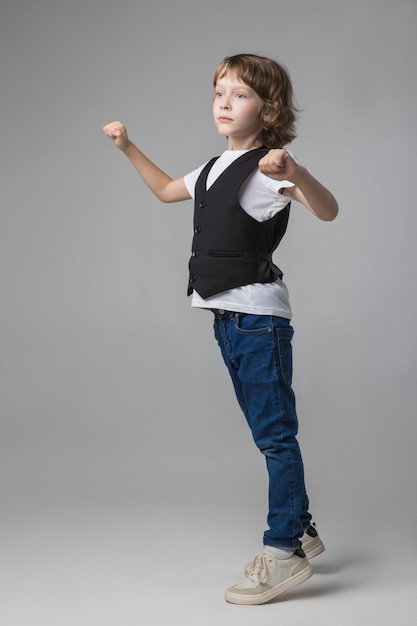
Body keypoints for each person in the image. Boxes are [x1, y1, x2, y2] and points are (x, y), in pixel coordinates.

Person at [103, 53, 338, 606]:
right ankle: (301, 527)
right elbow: (165, 190)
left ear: (269, 108)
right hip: (226, 320)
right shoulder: (211, 167)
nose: (225, 104)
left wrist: (296, 173)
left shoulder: (269, 167)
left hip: (259, 321)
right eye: (219, 93)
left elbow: (327, 211)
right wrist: (127, 147)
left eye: (240, 95)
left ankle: (282, 551)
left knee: (275, 436)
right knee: (268, 432)